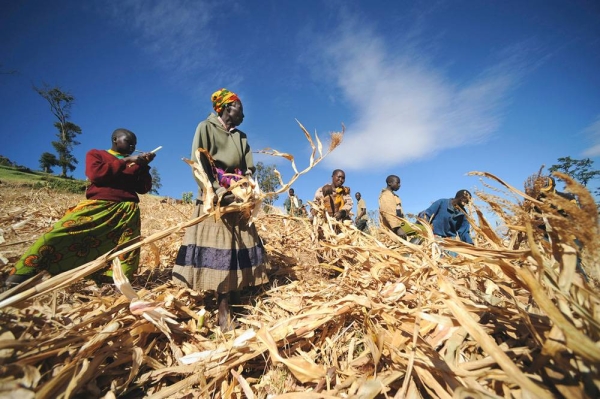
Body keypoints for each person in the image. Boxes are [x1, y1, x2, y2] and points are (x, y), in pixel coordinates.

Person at [3, 128, 156, 290]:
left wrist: (144, 167)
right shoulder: (97, 155)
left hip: (127, 212)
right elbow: (96, 174)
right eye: (128, 141)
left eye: (135, 144)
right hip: (98, 206)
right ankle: (20, 276)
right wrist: (126, 161)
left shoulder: (136, 164)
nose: (132, 146)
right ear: (115, 139)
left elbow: (143, 188)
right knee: (57, 234)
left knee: (125, 249)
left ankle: (113, 285)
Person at [172, 88, 268, 331]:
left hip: (238, 196)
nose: (243, 116)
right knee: (223, 251)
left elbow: (248, 168)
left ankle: (234, 296)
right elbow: (199, 162)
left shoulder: (241, 136)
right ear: (227, 108)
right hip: (215, 196)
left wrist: (247, 189)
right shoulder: (205, 127)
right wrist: (215, 190)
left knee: (239, 248)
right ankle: (223, 311)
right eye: (240, 110)